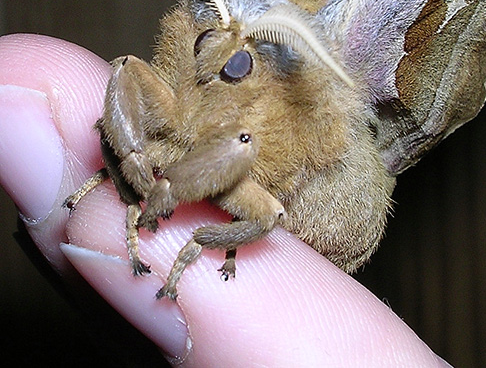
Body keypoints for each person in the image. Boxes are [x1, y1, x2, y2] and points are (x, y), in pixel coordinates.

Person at [0, 33, 448, 366]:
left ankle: (198, 239)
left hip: (334, 205)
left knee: (245, 161)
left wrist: (195, 233)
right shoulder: (192, 100)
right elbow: (135, 86)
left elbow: (264, 207)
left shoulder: (268, 114)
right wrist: (128, 163)